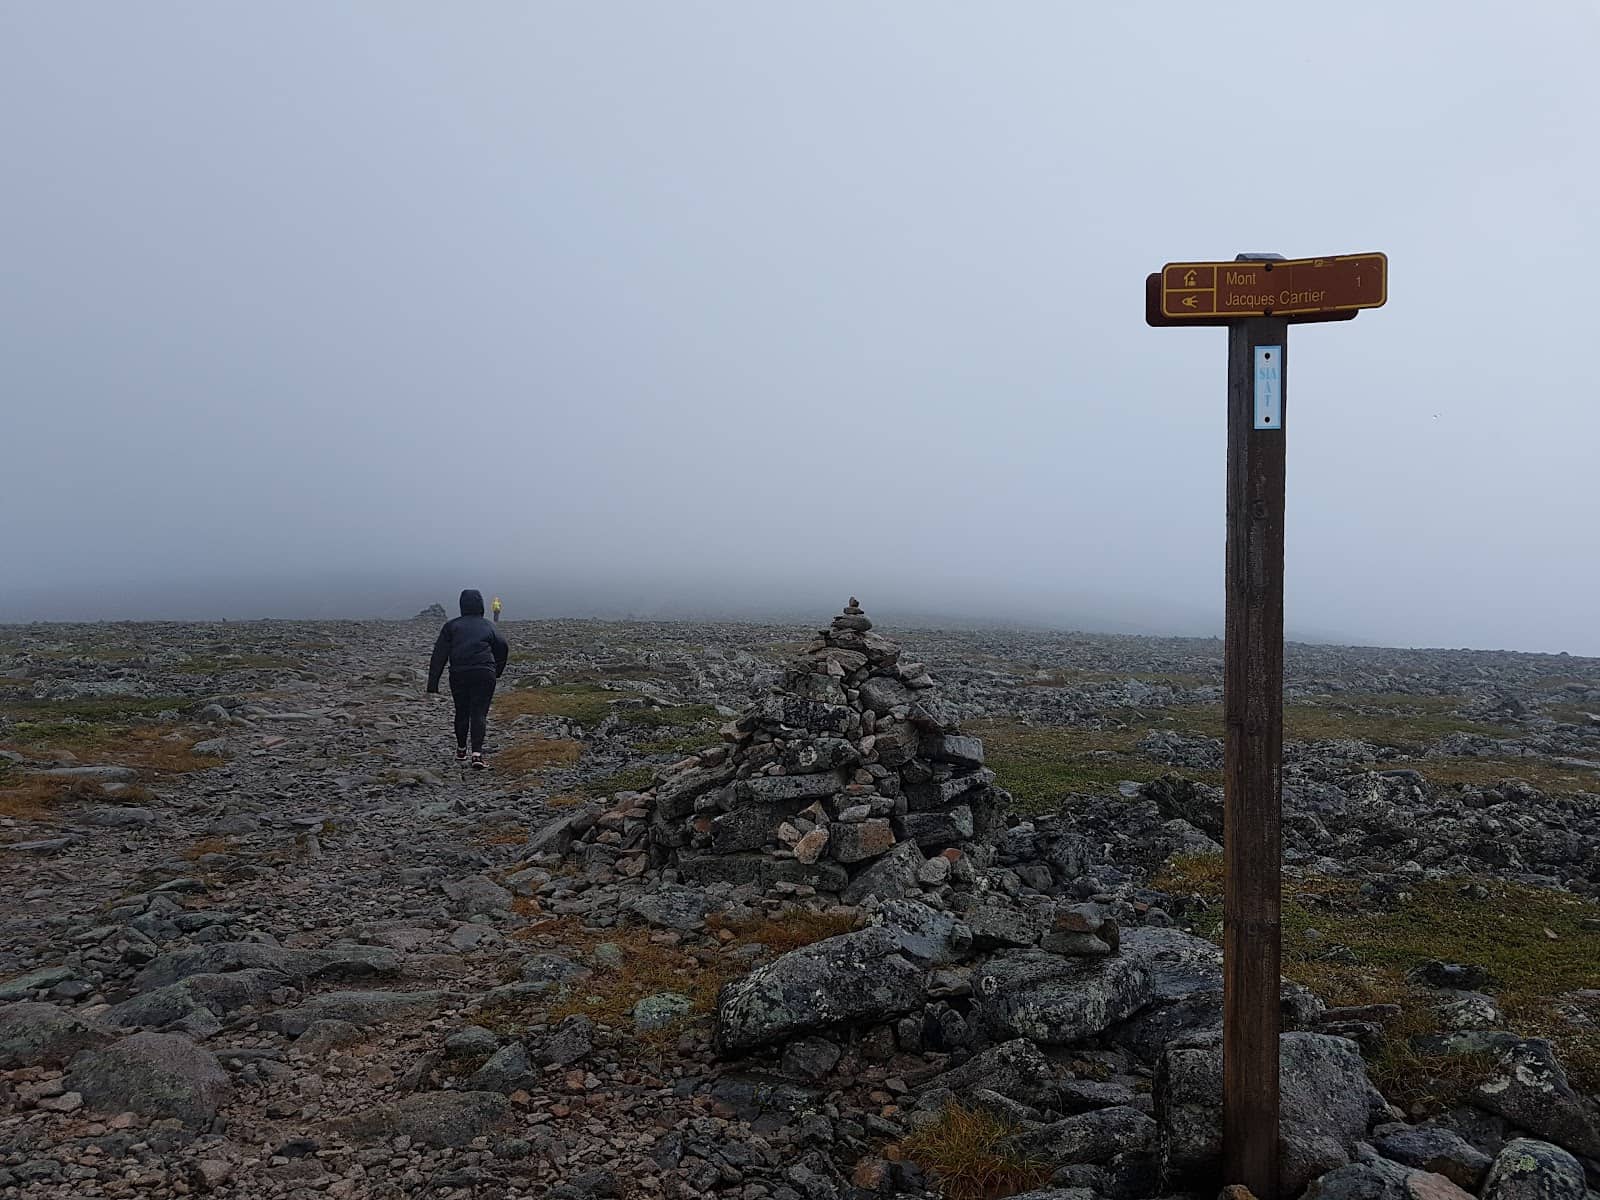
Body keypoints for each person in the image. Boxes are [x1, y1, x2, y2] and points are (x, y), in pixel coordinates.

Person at [426, 590, 509, 769]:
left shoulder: (451, 626)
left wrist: (433, 683)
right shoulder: (489, 626)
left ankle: (461, 750)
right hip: (484, 673)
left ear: (462, 605)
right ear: (481, 605)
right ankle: (477, 755)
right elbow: (502, 647)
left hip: (459, 673)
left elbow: (439, 655)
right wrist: (497, 671)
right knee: (479, 713)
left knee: (461, 711)